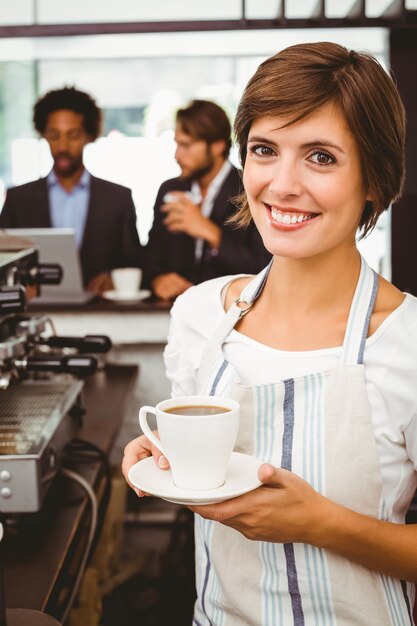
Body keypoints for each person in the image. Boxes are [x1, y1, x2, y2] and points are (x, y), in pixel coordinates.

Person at [123, 42, 417, 625]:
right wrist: (163, 459)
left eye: (321, 157)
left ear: (373, 182)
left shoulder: (407, 342)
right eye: (264, 150)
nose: (281, 185)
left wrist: (320, 524)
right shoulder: (200, 315)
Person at [0, 87, 143, 294]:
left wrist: (112, 278)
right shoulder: (18, 199)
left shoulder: (117, 199)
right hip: (34, 311)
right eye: (54, 135)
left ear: (89, 136)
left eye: (73, 135)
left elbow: (136, 263)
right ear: (43, 135)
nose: (63, 146)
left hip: (102, 313)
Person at [144, 99, 271, 300]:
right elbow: (150, 258)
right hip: (173, 311)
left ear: (218, 146)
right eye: (177, 144)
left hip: (232, 313)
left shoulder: (249, 189)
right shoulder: (170, 190)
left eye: (186, 145)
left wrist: (208, 231)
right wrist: (157, 278)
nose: (177, 155)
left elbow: (265, 267)